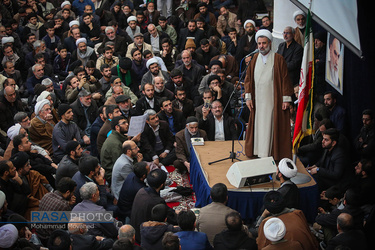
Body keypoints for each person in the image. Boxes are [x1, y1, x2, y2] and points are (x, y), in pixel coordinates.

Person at [244, 29, 293, 161]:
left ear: (270, 43)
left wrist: (286, 99)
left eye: (264, 43)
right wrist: (248, 97)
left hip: (273, 101)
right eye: (259, 43)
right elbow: (248, 79)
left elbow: (285, 79)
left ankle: (271, 154)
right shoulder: (254, 59)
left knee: (271, 126)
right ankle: (258, 152)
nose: (261, 46)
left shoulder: (278, 59)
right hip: (258, 101)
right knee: (258, 127)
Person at [131, 169, 178, 243]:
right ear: (162, 185)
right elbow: (171, 217)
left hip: (136, 229)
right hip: (144, 235)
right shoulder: (156, 201)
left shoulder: (141, 191)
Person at [37, 177, 77, 243]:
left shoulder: (46, 195)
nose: (73, 195)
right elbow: (69, 224)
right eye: (73, 192)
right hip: (50, 238)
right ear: (68, 192)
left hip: (38, 233)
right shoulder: (64, 206)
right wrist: (69, 204)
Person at [100, 116, 130, 182]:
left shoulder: (116, 137)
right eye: (124, 123)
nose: (127, 124)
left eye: (127, 122)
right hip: (112, 175)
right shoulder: (115, 144)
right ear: (117, 127)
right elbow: (121, 165)